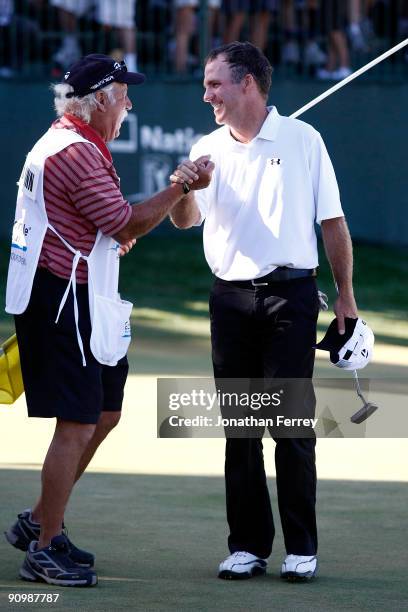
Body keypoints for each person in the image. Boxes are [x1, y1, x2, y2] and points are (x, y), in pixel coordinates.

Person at [4, 53, 213, 587]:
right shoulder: (75, 152)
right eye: (123, 95)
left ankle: (39, 520)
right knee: (76, 422)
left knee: (105, 411)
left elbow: (99, 227)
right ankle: (44, 547)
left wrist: (112, 236)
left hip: (80, 292)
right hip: (61, 299)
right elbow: (126, 224)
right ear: (99, 100)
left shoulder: (74, 141)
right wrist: (181, 187)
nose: (129, 104)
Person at [169, 41, 358, 581]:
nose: (207, 95)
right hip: (229, 300)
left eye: (215, 84)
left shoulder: (303, 139)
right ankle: (248, 545)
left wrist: (345, 294)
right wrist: (187, 188)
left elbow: (333, 223)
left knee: (290, 424)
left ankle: (301, 548)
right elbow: (186, 220)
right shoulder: (206, 146)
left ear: (247, 82)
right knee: (240, 429)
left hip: (289, 298)